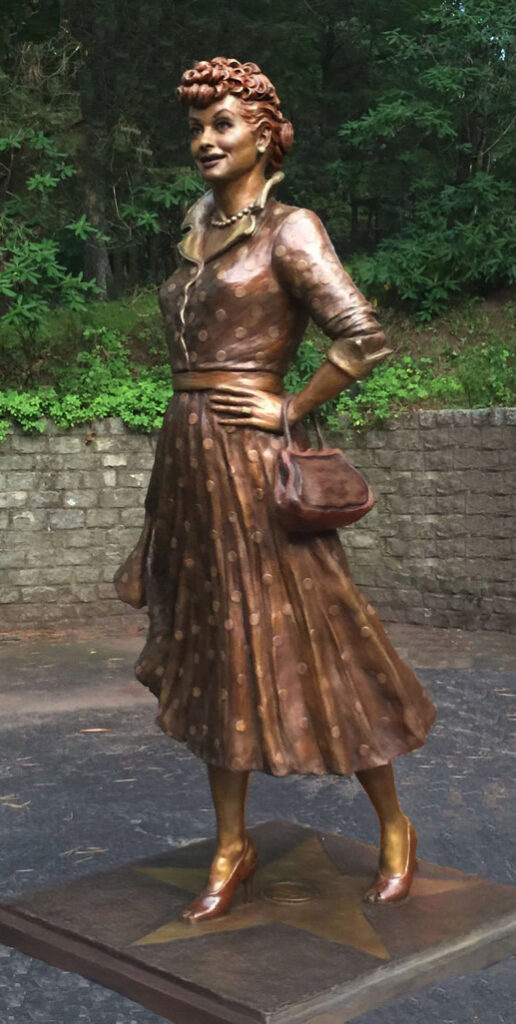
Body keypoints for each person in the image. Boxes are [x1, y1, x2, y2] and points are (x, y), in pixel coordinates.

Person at [114, 56, 436, 924]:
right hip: (189, 464)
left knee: (320, 639)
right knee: (214, 645)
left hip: (257, 468)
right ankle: (231, 841)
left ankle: (395, 825)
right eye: (197, 126)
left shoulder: (291, 229)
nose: (204, 140)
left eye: (222, 123)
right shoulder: (193, 230)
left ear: (265, 131)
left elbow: (364, 338)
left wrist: (289, 403)